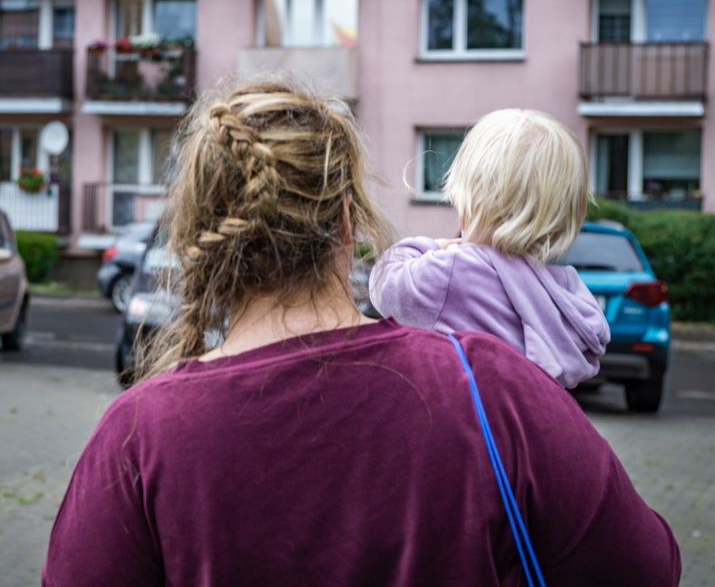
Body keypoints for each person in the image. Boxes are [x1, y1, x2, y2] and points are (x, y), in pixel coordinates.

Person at [43, 80, 680, 586]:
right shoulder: (494, 389)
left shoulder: (135, 437)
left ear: (203, 238)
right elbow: (649, 569)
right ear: (347, 222)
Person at [370, 109, 609, 389]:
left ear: (470, 206)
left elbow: (385, 285)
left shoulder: (455, 271)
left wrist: (433, 246)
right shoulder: (567, 292)